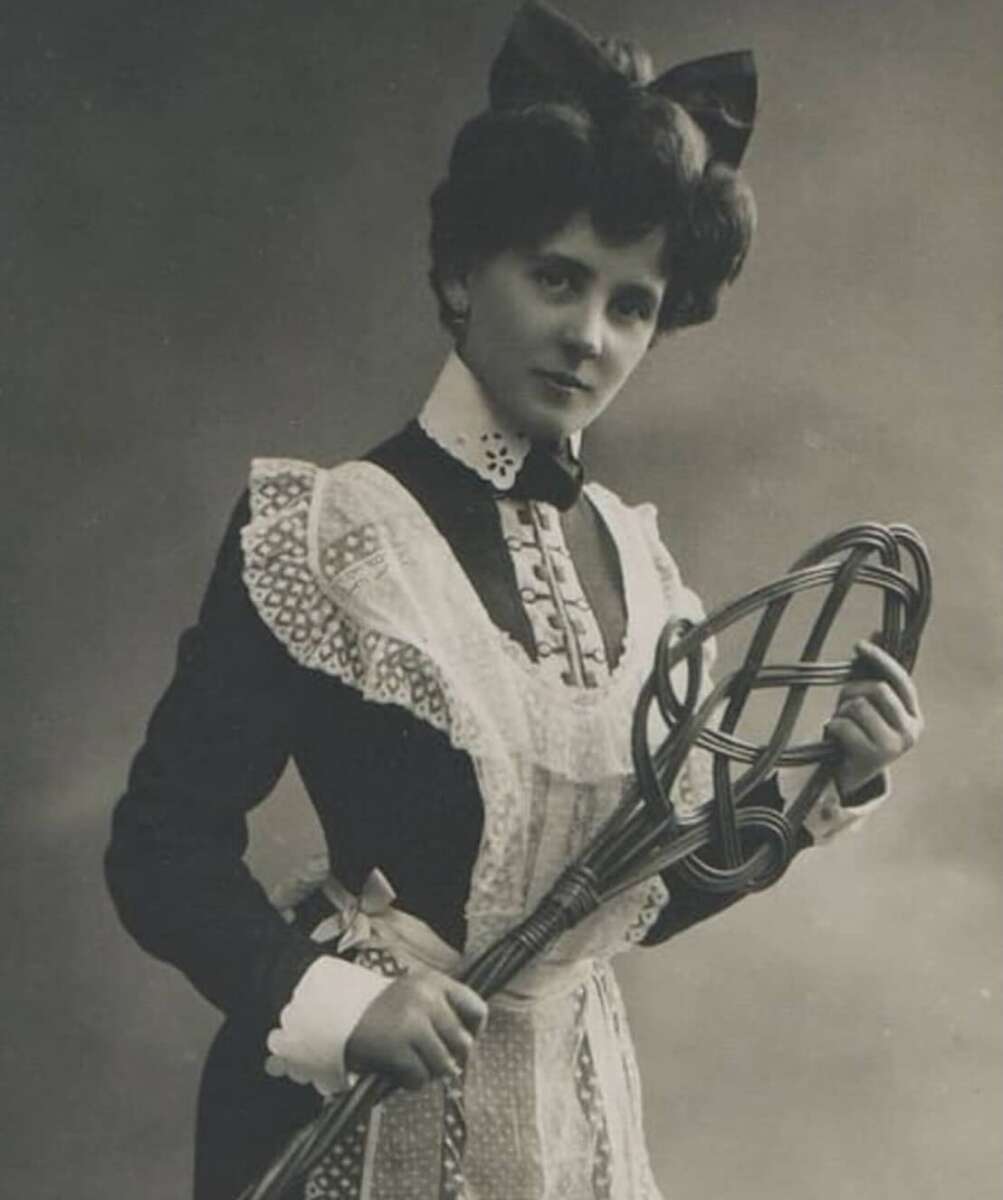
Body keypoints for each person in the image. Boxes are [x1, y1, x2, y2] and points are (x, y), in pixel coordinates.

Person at [105, 4, 925, 1198]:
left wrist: (817, 793)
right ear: (458, 272)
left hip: (568, 1130)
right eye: (555, 277)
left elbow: (615, 900)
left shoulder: (637, 571)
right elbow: (161, 847)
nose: (589, 337)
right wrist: (337, 1000)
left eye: (632, 303)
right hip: (348, 1123)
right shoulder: (333, 531)